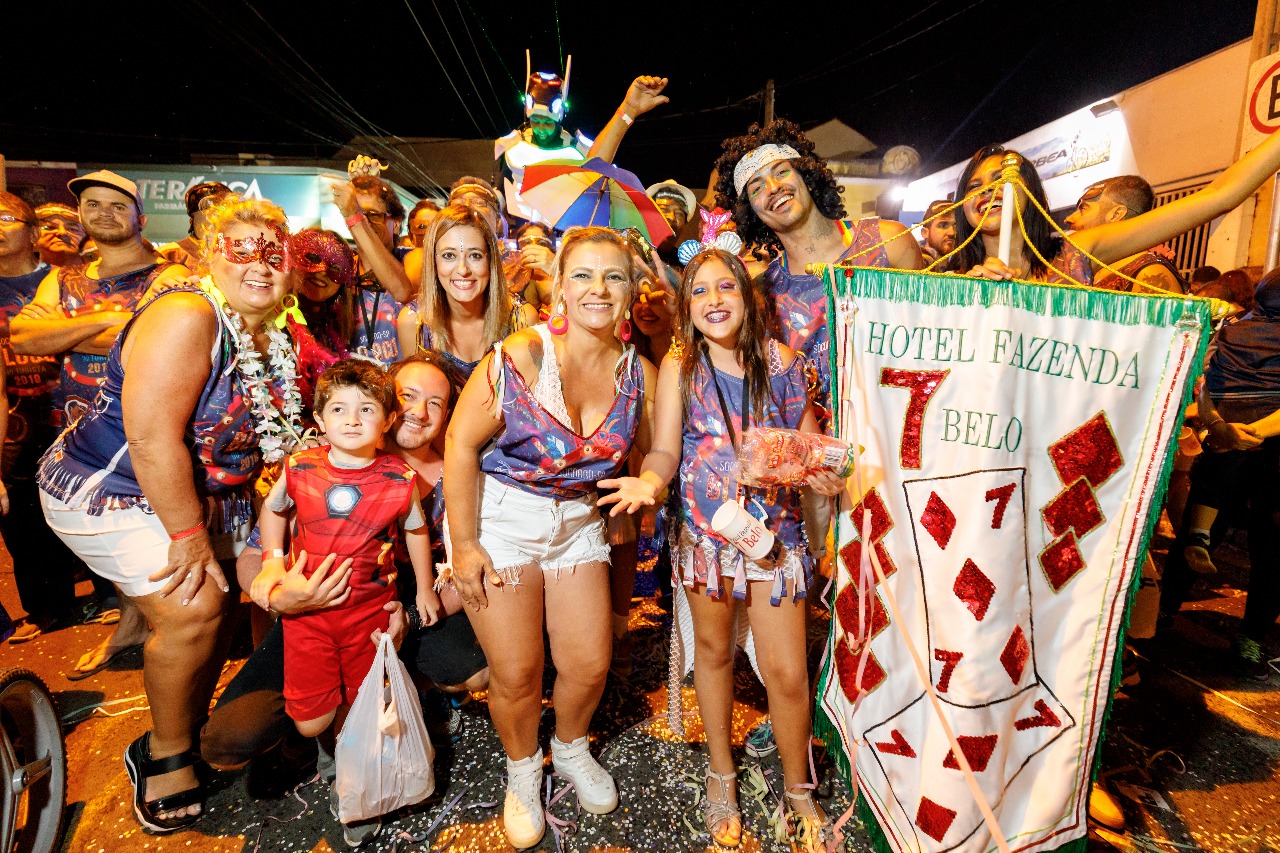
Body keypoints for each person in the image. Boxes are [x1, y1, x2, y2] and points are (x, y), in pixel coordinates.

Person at [36, 195, 301, 832]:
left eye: (275, 253)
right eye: (243, 250)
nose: (260, 265)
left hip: (212, 494)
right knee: (196, 606)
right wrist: (188, 537)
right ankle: (163, 749)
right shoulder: (188, 312)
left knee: (259, 591)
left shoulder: (271, 328)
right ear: (212, 253)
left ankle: (223, 719)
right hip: (114, 488)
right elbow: (153, 438)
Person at [600, 247, 843, 850]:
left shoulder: (783, 364)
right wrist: (651, 482)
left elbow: (808, 443)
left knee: (787, 673)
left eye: (726, 287)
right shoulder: (682, 368)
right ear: (686, 307)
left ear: (749, 298)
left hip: (774, 542)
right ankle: (721, 774)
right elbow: (664, 451)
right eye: (700, 290)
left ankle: (797, 788)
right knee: (712, 654)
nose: (714, 300)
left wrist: (822, 475)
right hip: (707, 541)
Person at [444, 226, 655, 848]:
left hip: (578, 525)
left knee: (589, 663)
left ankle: (568, 749)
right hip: (502, 519)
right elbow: (459, 445)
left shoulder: (637, 373)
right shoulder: (517, 357)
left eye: (613, 276)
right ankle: (520, 770)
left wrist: (635, 495)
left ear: (630, 291)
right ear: (558, 286)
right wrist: (464, 543)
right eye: (583, 275)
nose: (598, 288)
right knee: (516, 672)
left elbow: (643, 457)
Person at [250, 359, 440, 847]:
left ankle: (356, 786)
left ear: (387, 421)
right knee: (310, 717)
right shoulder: (299, 467)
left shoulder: (399, 478)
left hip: (369, 617)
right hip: (307, 617)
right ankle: (330, 751)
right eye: (338, 408)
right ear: (318, 419)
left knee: (364, 708)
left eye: (367, 409)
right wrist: (272, 562)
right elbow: (274, 512)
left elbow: (416, 531)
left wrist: (422, 590)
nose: (352, 420)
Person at [13, 170, 190, 678]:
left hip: (141, 427)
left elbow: (155, 339)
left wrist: (63, 334)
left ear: (140, 216)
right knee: (109, 531)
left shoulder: (169, 273)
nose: (104, 214)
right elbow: (23, 336)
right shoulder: (65, 274)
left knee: (149, 529)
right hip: (76, 430)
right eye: (94, 205)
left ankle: (164, 630)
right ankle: (140, 625)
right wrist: (104, 325)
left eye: (117, 206)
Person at [714, 119, 923, 433]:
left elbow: (932, 339)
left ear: (806, 174)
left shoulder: (889, 243)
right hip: (817, 466)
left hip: (896, 445)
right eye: (756, 187)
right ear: (751, 212)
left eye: (782, 171)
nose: (773, 189)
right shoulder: (761, 294)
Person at [1160, 269, 1280, 680]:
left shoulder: (1231, 331)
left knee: (1199, 529)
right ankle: (1250, 639)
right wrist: (1254, 433)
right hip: (1266, 456)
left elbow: (1204, 385)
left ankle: (1161, 614)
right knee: (1273, 555)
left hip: (1226, 446)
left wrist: (1220, 427)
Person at [956, 135, 1280, 286]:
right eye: (974, 186)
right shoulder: (950, 283)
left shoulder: (1074, 255)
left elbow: (1219, 196)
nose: (987, 190)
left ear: (1030, 193)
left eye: (1003, 179)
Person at [387, 354, 490, 739]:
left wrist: (410, 620)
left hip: (430, 601)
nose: (418, 411)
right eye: (407, 396)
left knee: (476, 669)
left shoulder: (460, 473)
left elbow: (478, 564)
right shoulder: (344, 460)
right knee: (232, 738)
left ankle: (424, 688)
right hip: (356, 605)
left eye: (435, 403)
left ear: (448, 415)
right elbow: (255, 553)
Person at [0, 192, 75, 643]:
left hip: (68, 413)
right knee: (22, 519)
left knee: (82, 503)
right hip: (14, 421)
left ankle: (107, 597)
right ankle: (47, 609)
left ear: (30, 233)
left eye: (7, 218)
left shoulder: (65, 282)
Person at [397, 204, 536, 390]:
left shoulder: (522, 319)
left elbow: (531, 409)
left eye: (475, 256)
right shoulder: (414, 322)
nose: (463, 270)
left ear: (491, 261)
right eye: (448, 256)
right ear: (433, 261)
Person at [329, 156, 414, 363]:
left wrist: (354, 216)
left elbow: (403, 291)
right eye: (360, 213)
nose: (365, 221)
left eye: (373, 214)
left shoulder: (412, 259)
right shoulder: (342, 269)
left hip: (401, 388)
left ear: (396, 221)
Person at [1063, 176, 1187, 293]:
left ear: (1116, 214)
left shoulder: (1148, 273)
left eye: (1083, 209)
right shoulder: (1089, 270)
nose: (1068, 219)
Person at [156, 181, 231, 270]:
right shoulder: (168, 254)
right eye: (206, 217)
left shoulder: (238, 253)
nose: (213, 223)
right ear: (192, 221)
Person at [505, 221, 556, 311]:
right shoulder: (506, 269)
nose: (534, 248)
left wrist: (557, 270)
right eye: (527, 242)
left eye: (541, 243)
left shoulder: (555, 275)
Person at [34, 202, 85, 268]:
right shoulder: (23, 275)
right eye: (50, 227)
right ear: (33, 236)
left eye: (72, 229)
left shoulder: (98, 275)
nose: (62, 232)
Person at [918, 199, 956, 266]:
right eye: (943, 225)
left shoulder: (960, 268)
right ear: (925, 232)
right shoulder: (914, 263)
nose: (952, 232)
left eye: (956, 226)